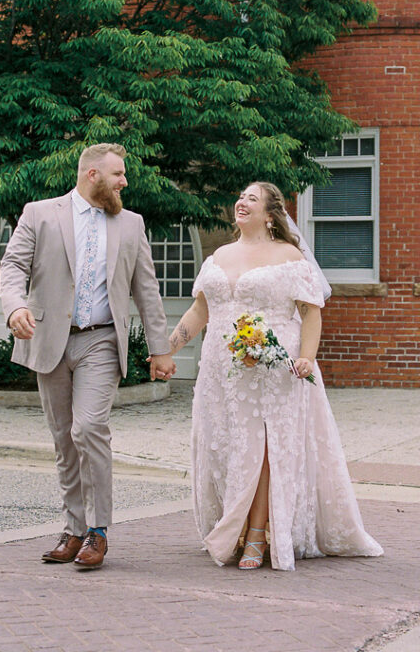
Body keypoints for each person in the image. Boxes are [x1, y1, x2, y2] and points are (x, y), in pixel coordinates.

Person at [168, 181, 383, 571]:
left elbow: (311, 311)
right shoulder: (219, 255)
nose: (241, 202)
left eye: (252, 198)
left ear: (270, 215)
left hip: (270, 367)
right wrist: (167, 349)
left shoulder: (288, 256)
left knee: (264, 449)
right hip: (220, 371)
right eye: (240, 197)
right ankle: (231, 527)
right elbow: (199, 312)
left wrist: (306, 357)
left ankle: (258, 533)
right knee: (225, 445)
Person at [0, 143, 176, 570]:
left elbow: (146, 290)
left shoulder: (131, 224)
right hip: (49, 339)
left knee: (90, 427)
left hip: (100, 340)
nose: (125, 182)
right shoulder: (40, 213)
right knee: (64, 438)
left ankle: (98, 531)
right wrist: (15, 307)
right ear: (92, 175)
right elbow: (12, 267)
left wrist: (160, 349)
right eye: (118, 174)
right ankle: (73, 528)